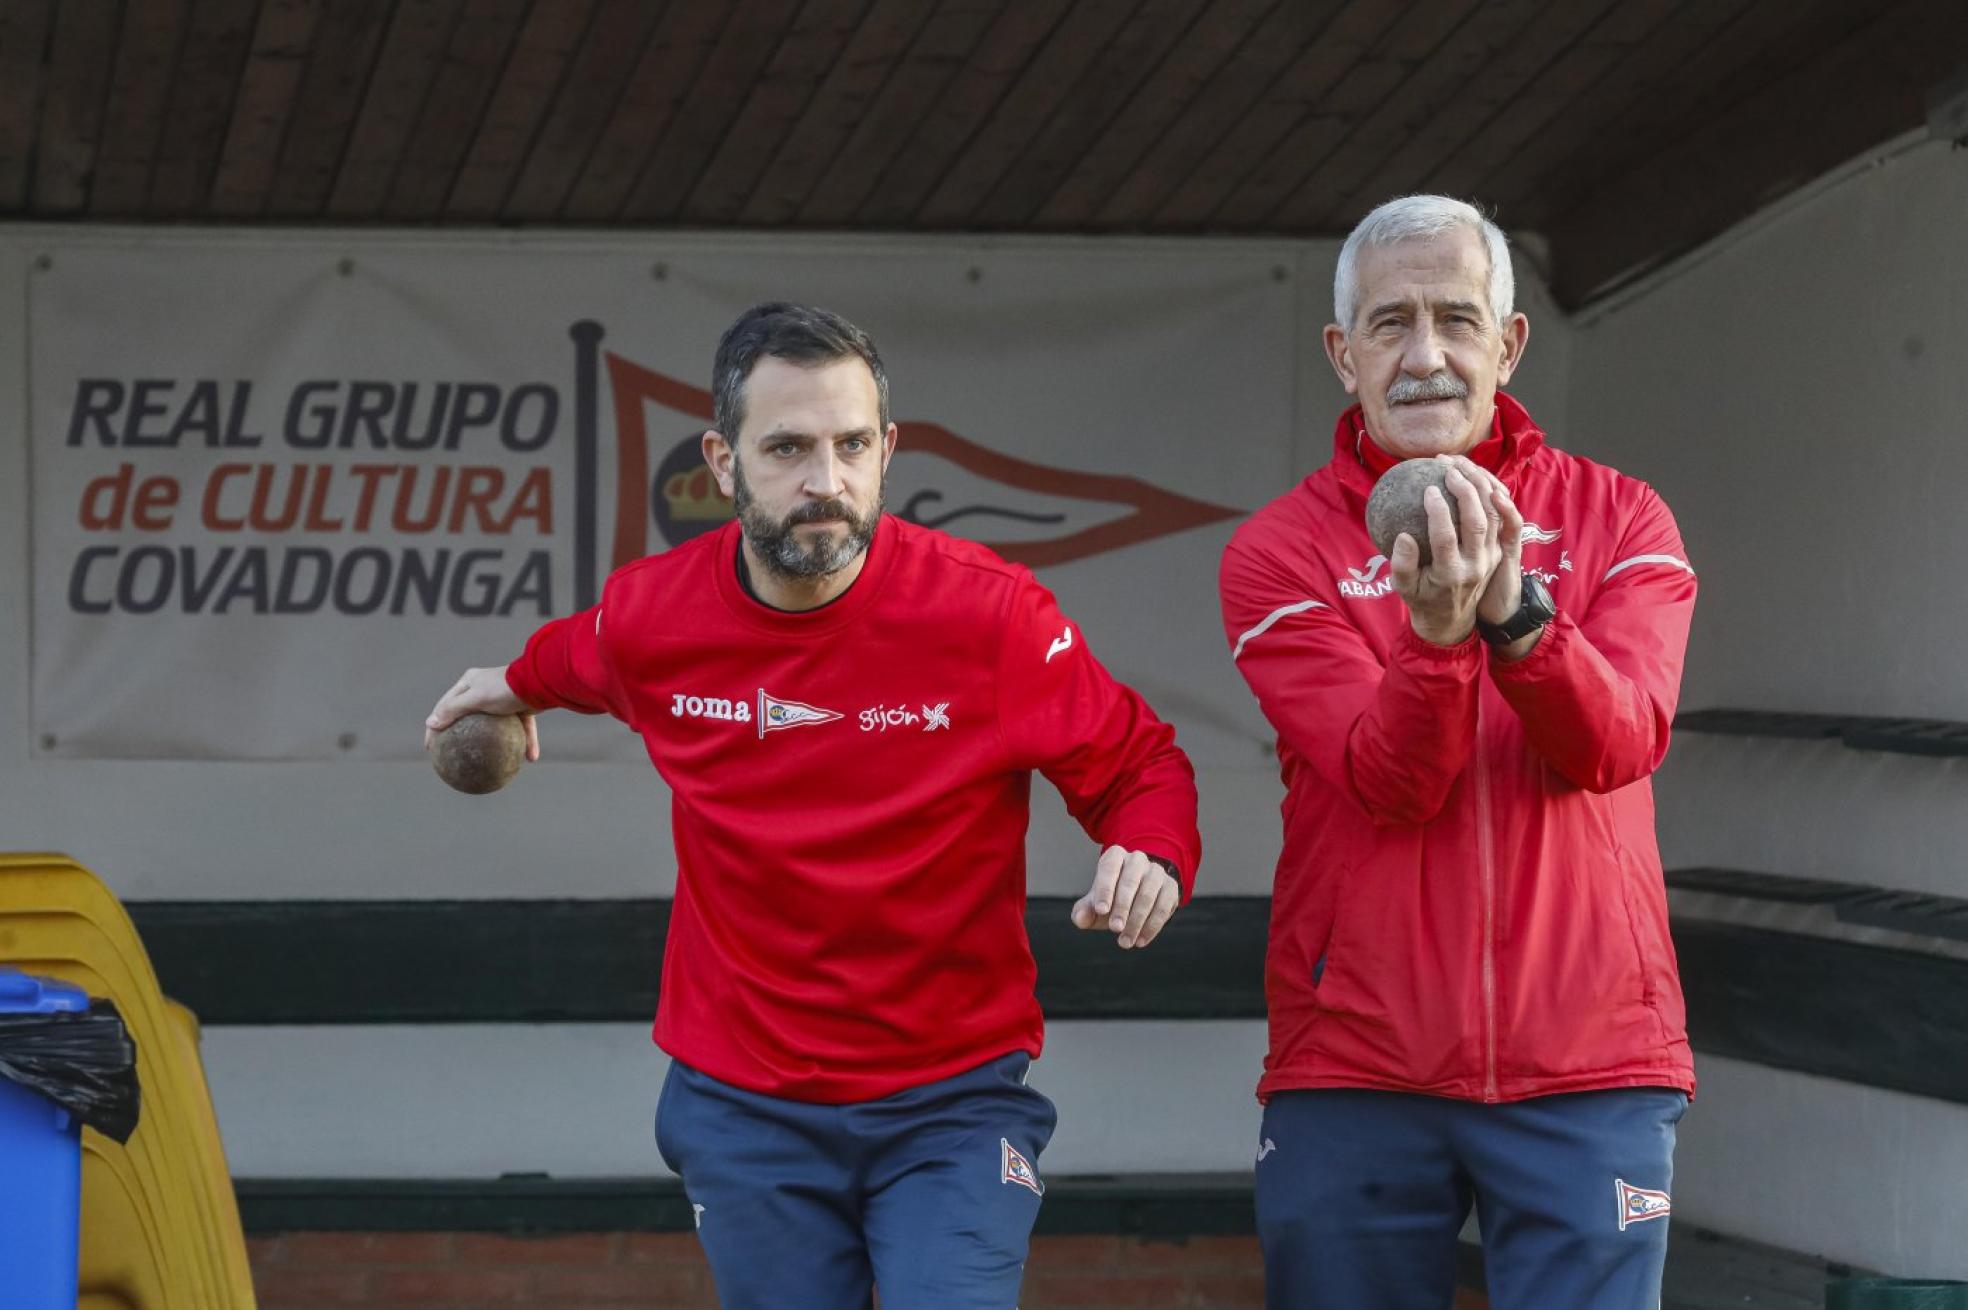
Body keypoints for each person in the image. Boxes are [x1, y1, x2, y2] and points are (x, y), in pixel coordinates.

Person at [426, 302, 1201, 1310]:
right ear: (723, 460)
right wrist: (508, 685)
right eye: (787, 448)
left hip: (951, 1103)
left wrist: (1148, 849)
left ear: (888, 451)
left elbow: (1140, 763)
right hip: (745, 1108)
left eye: (851, 446)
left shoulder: (992, 615)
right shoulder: (652, 615)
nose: (825, 482)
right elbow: (566, 659)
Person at [1218, 195, 1697, 1310]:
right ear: (1343, 354)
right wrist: (1435, 644)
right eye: (1390, 323)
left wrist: (1515, 615)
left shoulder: (1624, 517)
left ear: (1510, 344)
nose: (1425, 355)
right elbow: (1391, 781)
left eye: (1457, 319)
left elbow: (1620, 740)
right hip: (1358, 1063)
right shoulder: (1278, 552)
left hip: (1591, 1059)